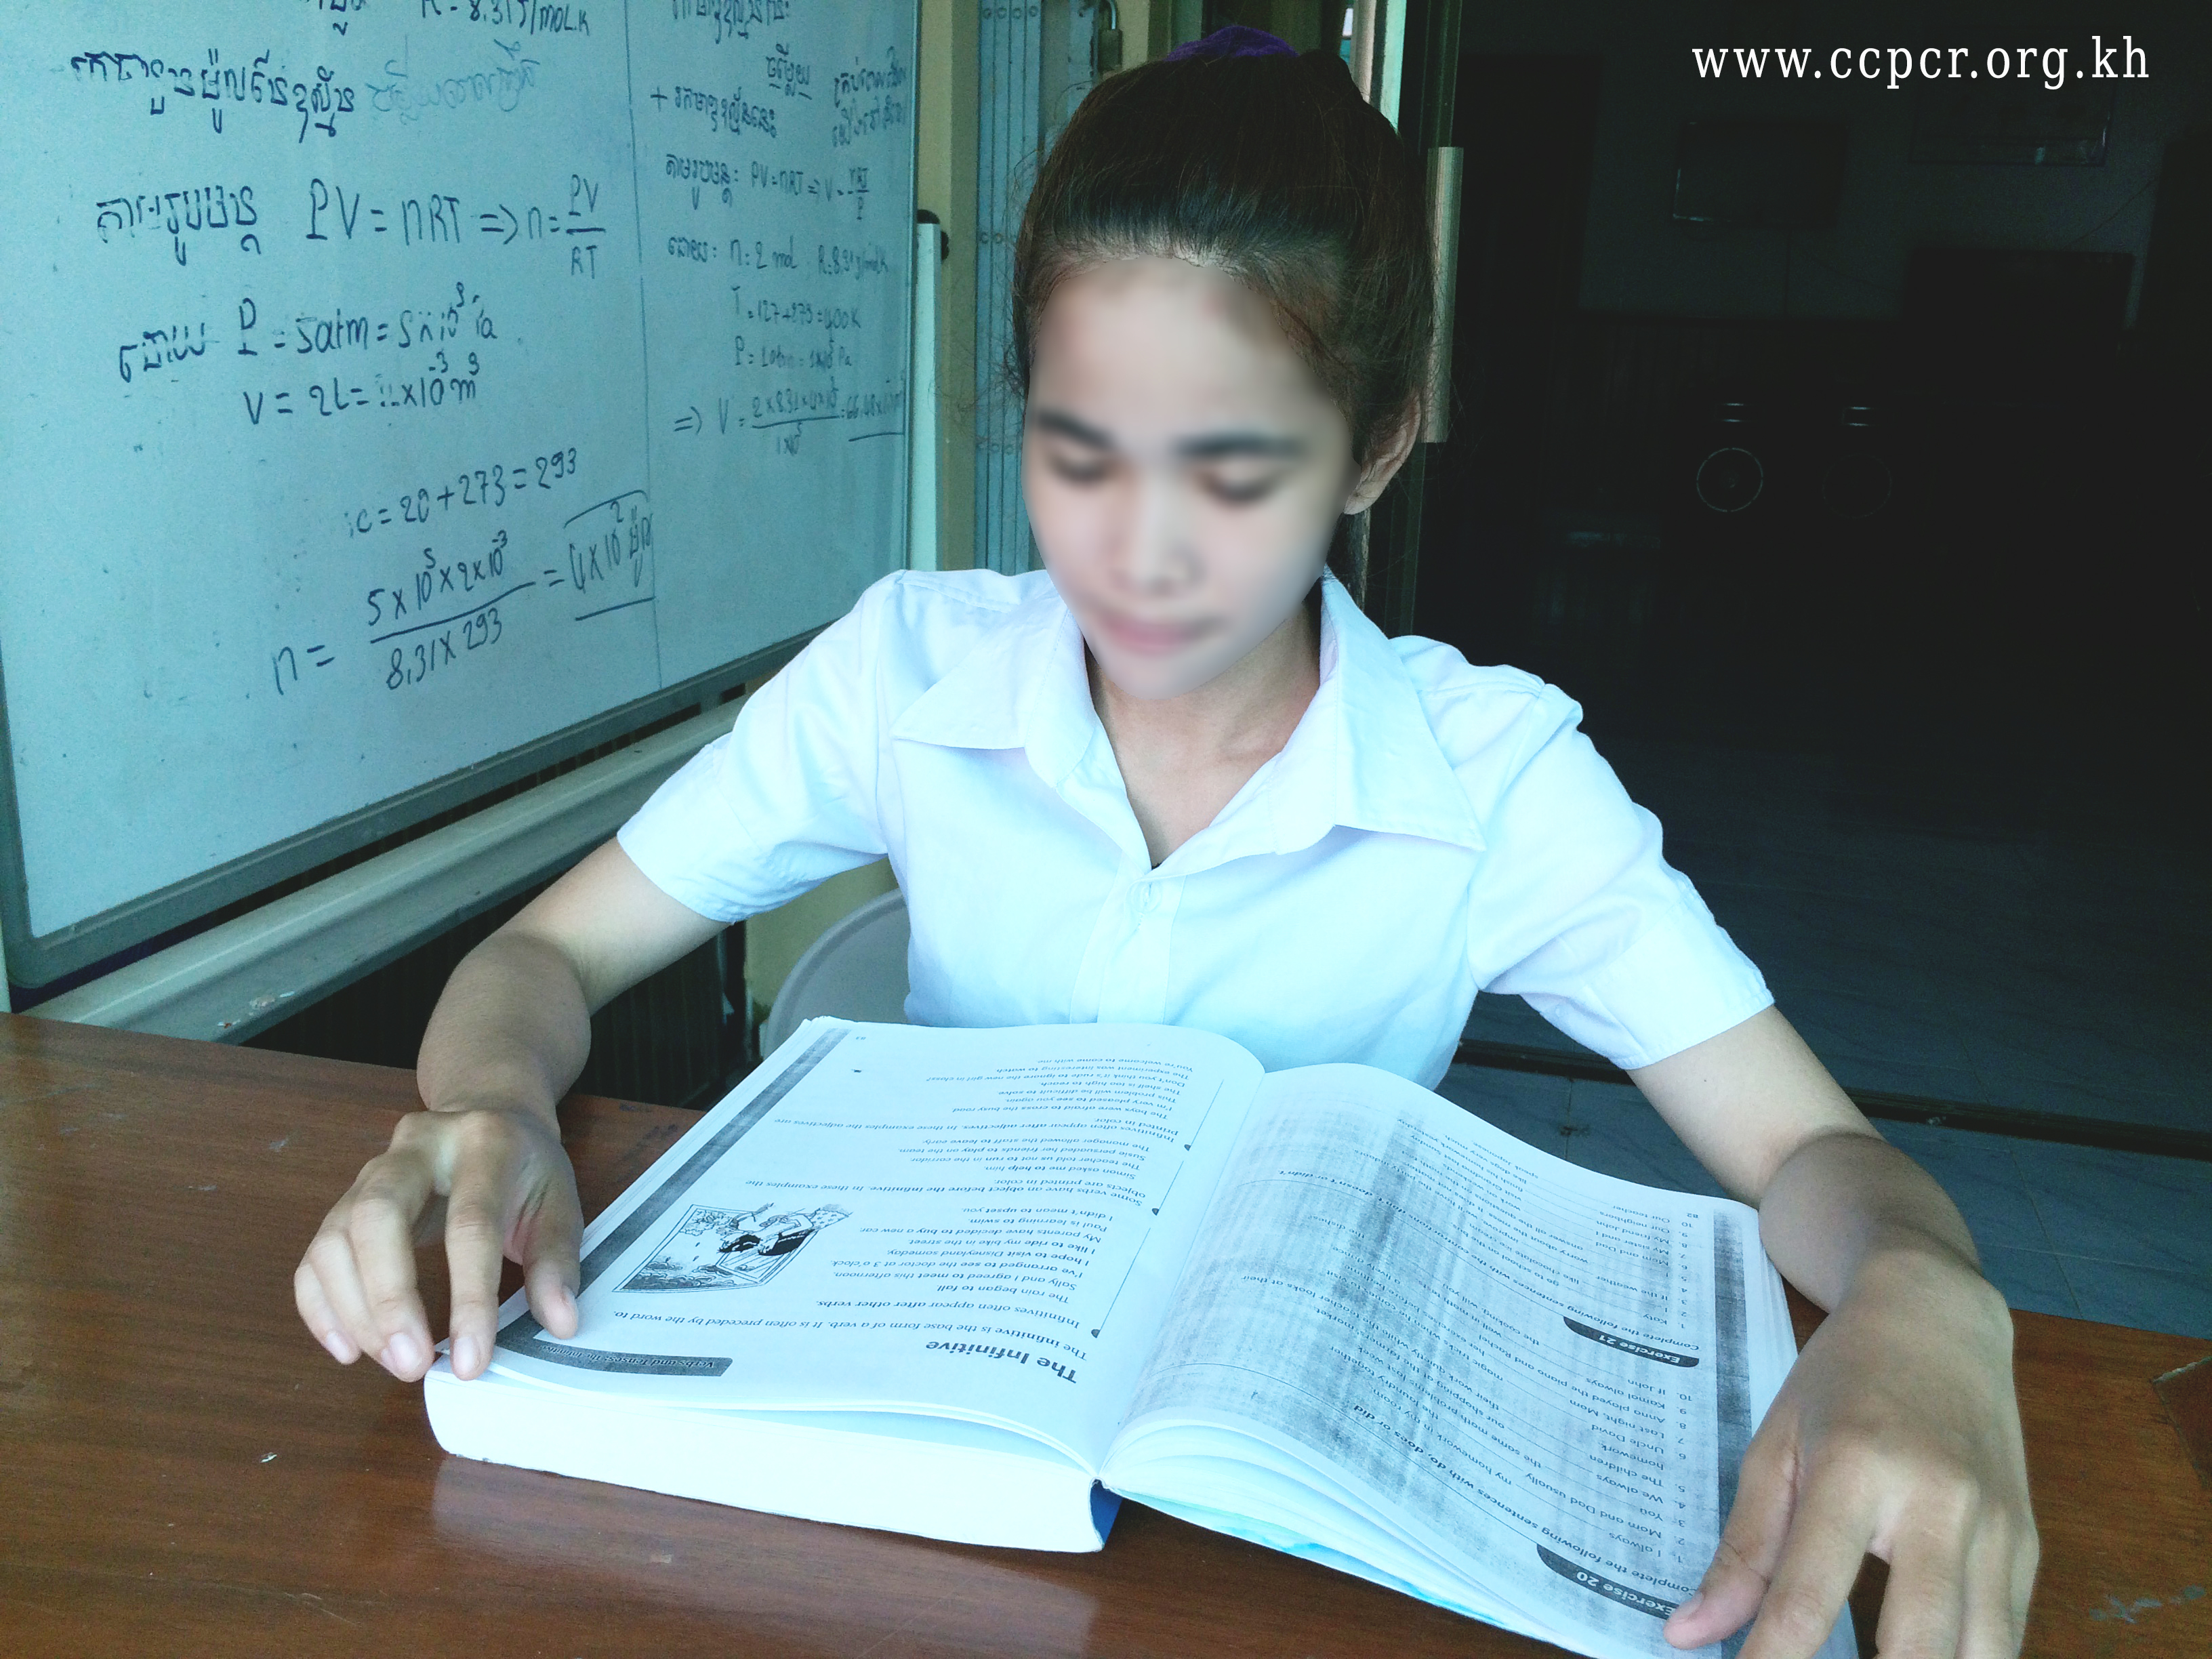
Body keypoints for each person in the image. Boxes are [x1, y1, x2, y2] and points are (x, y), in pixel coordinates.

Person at [295, 29, 2034, 1659]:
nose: (1137, 554)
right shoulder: (906, 672)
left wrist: (1929, 1293)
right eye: (1079, 453)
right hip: (914, 1466)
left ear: (1377, 449)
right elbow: (543, 957)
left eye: (1230, 471)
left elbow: (1812, 1150)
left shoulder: (1489, 774)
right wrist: (491, 1112)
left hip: (1276, 1518)